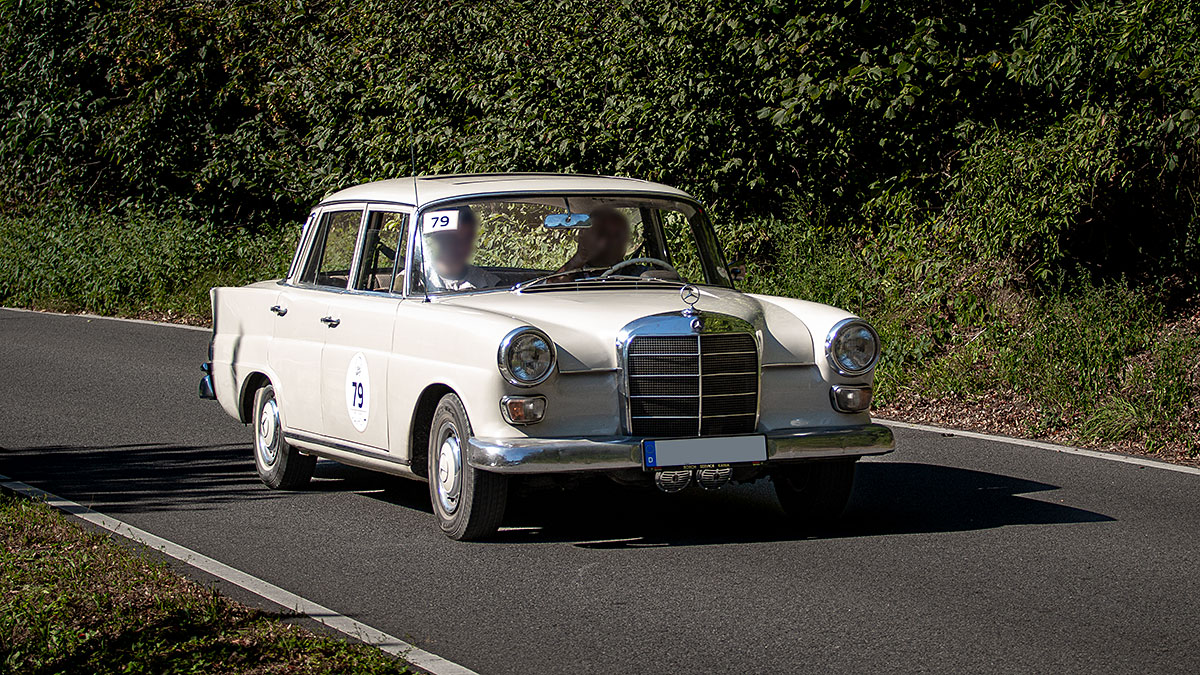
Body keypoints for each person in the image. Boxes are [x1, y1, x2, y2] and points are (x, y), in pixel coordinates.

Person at [423, 206, 500, 292]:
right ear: (438, 239)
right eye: (452, 239)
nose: (460, 247)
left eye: (466, 239)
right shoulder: (419, 279)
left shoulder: (487, 283)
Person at [556, 207, 631, 275]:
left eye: (616, 236)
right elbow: (554, 283)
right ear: (582, 235)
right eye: (601, 233)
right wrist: (579, 259)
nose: (606, 242)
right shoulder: (573, 273)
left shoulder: (634, 275)